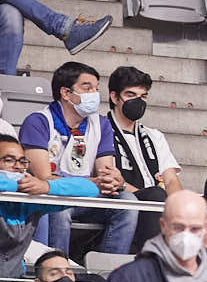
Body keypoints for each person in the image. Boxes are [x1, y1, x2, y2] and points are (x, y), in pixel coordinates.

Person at [20, 61, 134, 256]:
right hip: (54, 195)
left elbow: (105, 171)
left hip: (88, 195)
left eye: (96, 88)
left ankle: (108, 273)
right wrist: (93, 182)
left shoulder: (102, 124)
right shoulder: (38, 121)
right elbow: (44, 178)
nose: (94, 94)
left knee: (127, 202)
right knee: (60, 208)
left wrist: (113, 180)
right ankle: (57, 269)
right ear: (65, 93)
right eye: (87, 87)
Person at [0, 134, 97, 281]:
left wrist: (47, 186)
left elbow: (90, 189)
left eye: (22, 161)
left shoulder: (30, 200)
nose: (18, 167)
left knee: (95, 281)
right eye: (9, 160)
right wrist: (17, 185)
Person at [105, 66, 181, 247]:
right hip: (121, 200)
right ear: (114, 97)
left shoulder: (154, 136)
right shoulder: (102, 130)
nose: (138, 102)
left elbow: (171, 180)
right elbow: (111, 179)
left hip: (157, 202)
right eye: (131, 95)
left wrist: (178, 207)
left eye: (143, 96)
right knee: (155, 195)